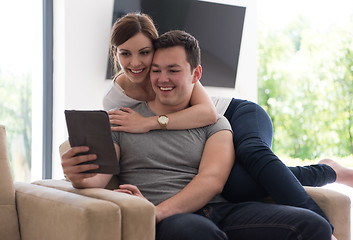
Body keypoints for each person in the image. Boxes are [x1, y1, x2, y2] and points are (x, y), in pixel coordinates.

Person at [62, 30, 333, 239]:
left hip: (216, 210)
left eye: (173, 70)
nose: (162, 78)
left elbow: (212, 180)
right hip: (175, 221)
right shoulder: (124, 119)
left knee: (313, 226)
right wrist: (78, 175)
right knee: (196, 233)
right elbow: (98, 177)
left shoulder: (215, 122)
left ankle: (329, 175)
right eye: (155, 70)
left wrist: (157, 213)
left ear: (196, 74)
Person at [102, 13, 353, 215]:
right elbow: (109, 144)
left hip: (235, 114)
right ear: (116, 53)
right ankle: (327, 169)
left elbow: (208, 113)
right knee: (237, 185)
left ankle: (327, 221)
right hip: (208, 136)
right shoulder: (114, 99)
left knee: (253, 154)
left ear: (155, 49)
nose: (136, 63)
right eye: (126, 53)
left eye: (144, 52)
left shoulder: (173, 74)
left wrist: (148, 123)